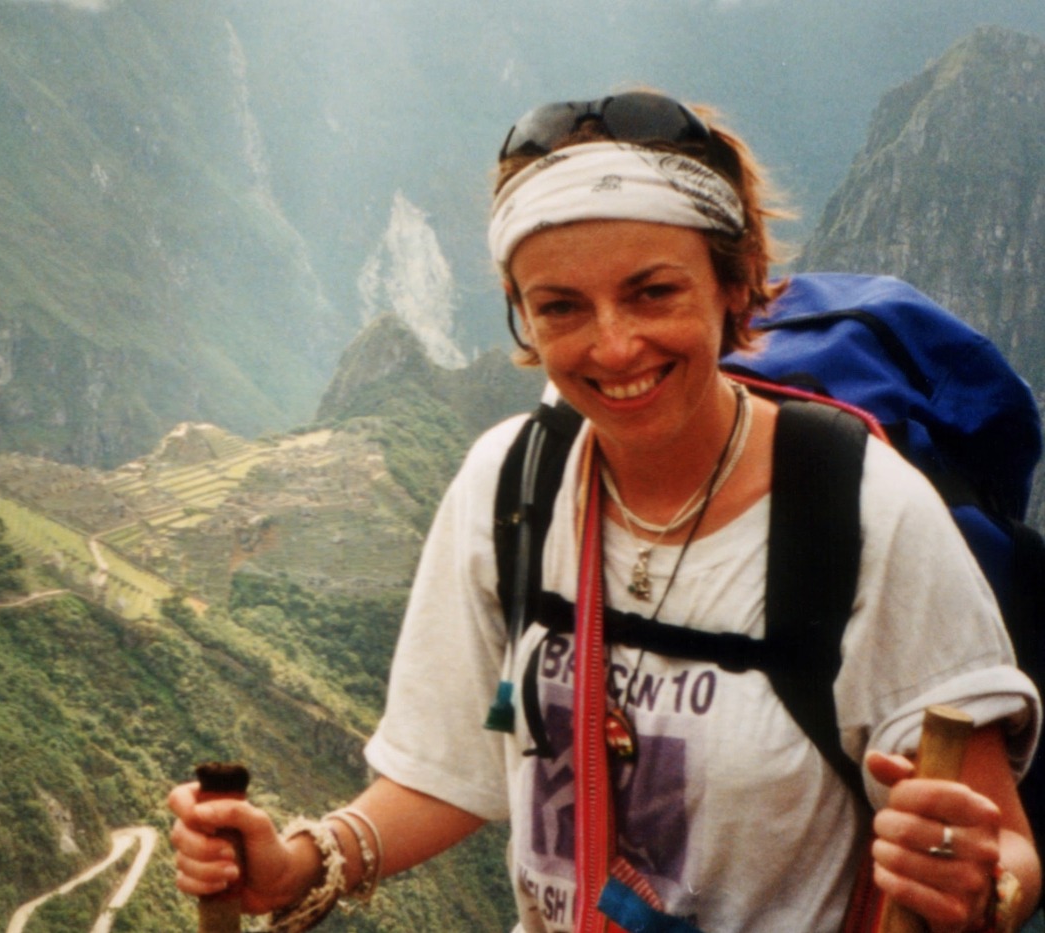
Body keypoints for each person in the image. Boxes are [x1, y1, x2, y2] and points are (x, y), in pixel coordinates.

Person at [168, 91, 1042, 932]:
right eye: (561, 308)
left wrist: (979, 883)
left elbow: (1005, 847)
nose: (614, 344)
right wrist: (297, 861)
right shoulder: (512, 484)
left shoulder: (863, 511)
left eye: (653, 291)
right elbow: (447, 772)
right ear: (523, 321)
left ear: (736, 285)